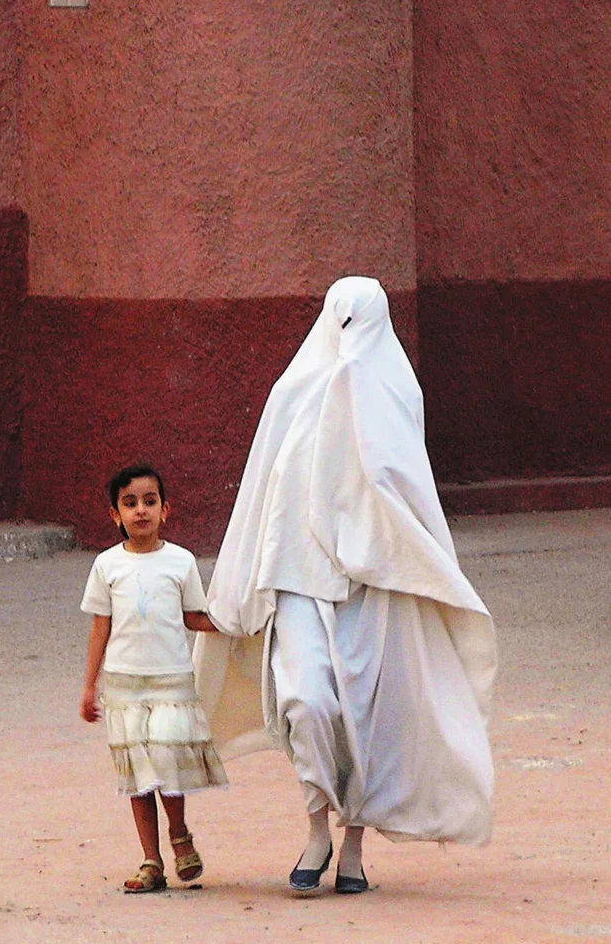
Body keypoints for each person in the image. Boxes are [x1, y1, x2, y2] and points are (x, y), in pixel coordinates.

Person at [194, 276, 498, 894]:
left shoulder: (395, 392)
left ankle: (354, 845)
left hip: (378, 581)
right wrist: (239, 581)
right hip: (300, 577)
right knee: (307, 701)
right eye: (343, 323)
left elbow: (407, 486)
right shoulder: (295, 391)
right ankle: (316, 826)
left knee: (368, 716)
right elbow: (261, 487)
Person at [80, 464, 227, 894]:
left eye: (149, 501)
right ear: (115, 515)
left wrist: (238, 623)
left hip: (171, 685)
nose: (141, 510)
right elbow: (99, 628)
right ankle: (151, 860)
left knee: (166, 762)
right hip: (124, 686)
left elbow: (194, 617)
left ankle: (179, 835)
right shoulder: (106, 566)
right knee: (138, 776)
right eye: (130, 503)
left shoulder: (181, 562)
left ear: (166, 509)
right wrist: (89, 686)